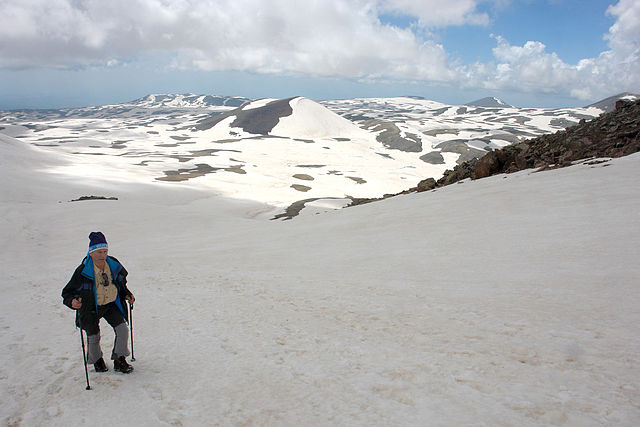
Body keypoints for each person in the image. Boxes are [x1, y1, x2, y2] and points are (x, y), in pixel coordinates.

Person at [62, 232, 135, 374]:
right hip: (90, 308)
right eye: (99, 252)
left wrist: (127, 294)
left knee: (122, 329)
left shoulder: (113, 265)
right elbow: (67, 292)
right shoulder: (82, 271)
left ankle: (119, 359)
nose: (103, 255)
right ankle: (97, 360)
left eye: (105, 251)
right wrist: (72, 302)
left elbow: (120, 284)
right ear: (91, 253)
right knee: (93, 336)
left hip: (111, 304)